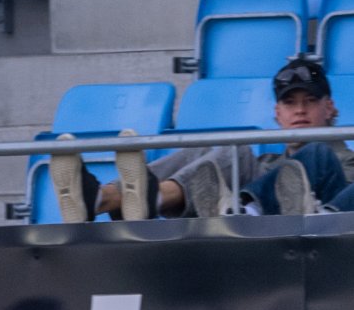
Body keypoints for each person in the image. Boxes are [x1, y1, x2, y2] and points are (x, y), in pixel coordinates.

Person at [50, 58, 354, 222]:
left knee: (316, 153)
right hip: (249, 226)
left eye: (310, 100)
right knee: (228, 150)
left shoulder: (348, 162)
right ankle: (106, 197)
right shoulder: (265, 163)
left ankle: (246, 210)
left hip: (318, 226)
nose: (300, 110)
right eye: (290, 103)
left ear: (330, 108)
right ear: (277, 113)